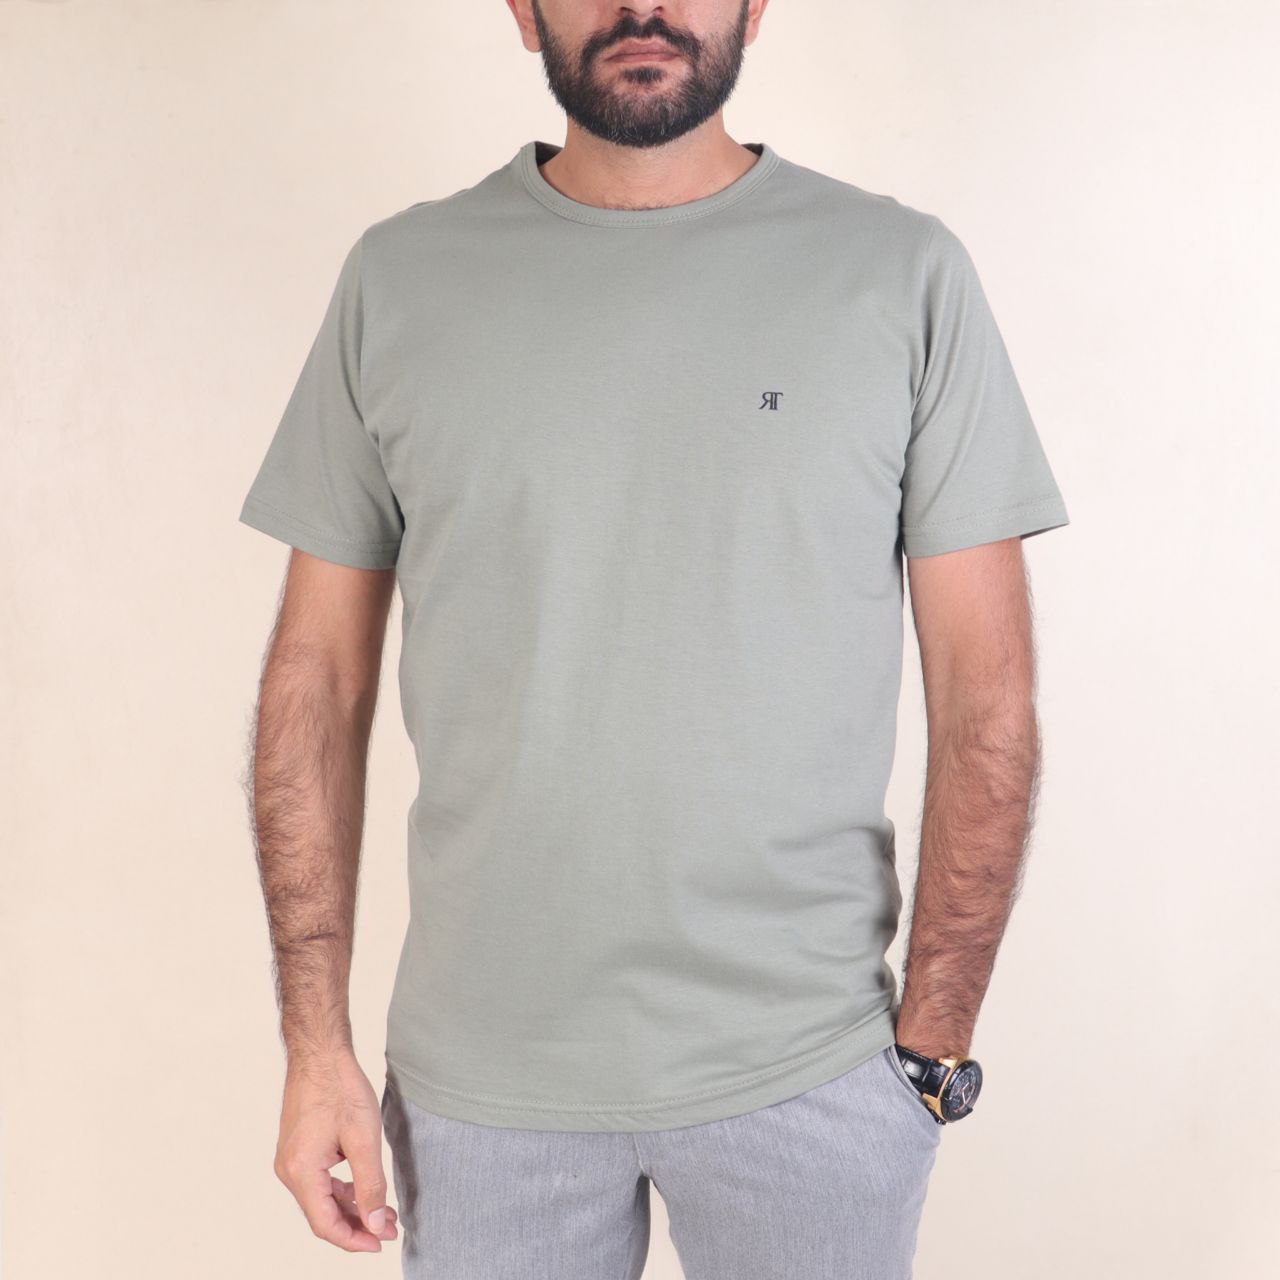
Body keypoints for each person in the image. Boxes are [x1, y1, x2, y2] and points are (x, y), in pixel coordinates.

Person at [238, 1, 1070, 1275]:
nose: (644, 5)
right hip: (481, 1089)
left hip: (812, 1069)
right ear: (522, 11)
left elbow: (986, 694)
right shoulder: (400, 280)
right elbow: (316, 681)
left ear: (754, 6)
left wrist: (931, 1046)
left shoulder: (898, 273)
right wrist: (313, 1046)